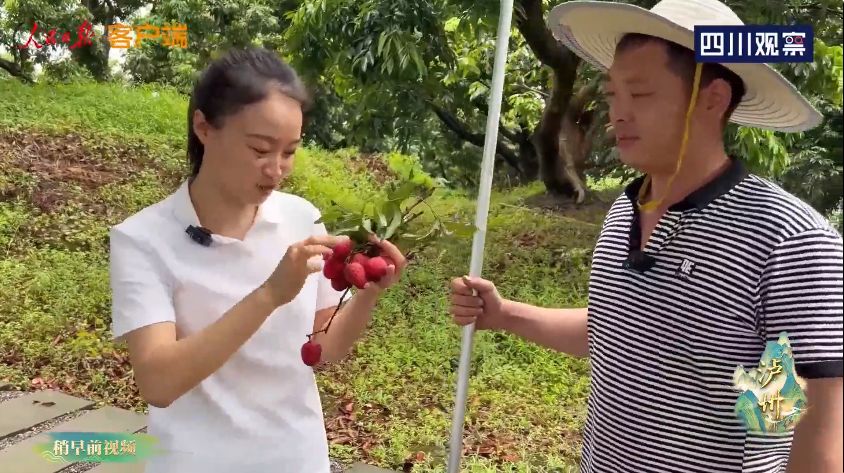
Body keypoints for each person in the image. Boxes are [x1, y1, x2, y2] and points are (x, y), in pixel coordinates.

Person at [448, 0, 843, 472]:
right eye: (614, 94)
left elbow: (816, 436)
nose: (618, 114)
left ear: (712, 98)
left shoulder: (788, 239)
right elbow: (616, 331)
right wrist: (506, 313)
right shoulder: (625, 209)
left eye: (640, 94)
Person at [109, 47, 406, 473]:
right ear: (204, 127)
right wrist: (269, 295)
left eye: (289, 152)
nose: (276, 169)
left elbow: (322, 349)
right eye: (260, 149)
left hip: (295, 458)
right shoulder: (142, 240)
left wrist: (368, 295)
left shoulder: (301, 219)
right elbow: (158, 382)